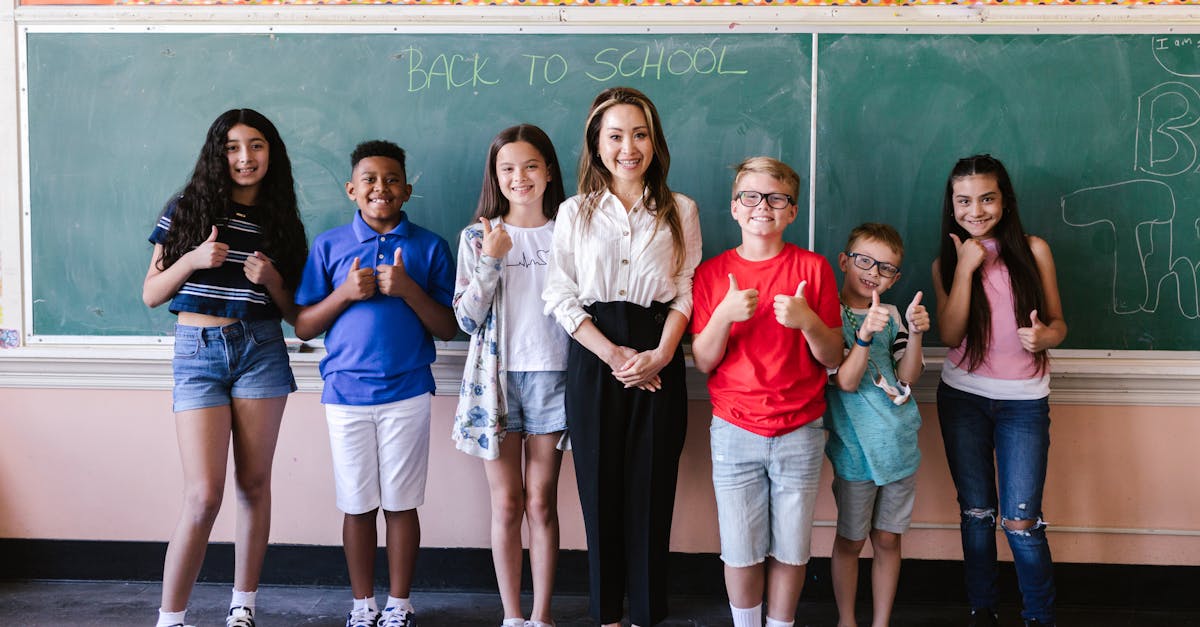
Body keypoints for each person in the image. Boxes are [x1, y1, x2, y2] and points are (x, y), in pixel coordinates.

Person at [542, 86, 702, 627]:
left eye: (640, 135)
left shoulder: (681, 210)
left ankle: (647, 614)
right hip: (595, 353)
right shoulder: (574, 211)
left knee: (652, 489)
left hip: (659, 352)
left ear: (655, 142)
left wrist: (661, 354)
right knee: (599, 488)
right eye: (615, 136)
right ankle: (607, 614)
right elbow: (559, 294)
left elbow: (685, 289)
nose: (628, 148)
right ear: (596, 143)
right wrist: (612, 354)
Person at [143, 108, 308, 627]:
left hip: (260, 348)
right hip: (198, 352)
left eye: (256, 145)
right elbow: (152, 293)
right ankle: (171, 617)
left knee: (254, 486)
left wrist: (273, 279)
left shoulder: (282, 220)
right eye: (233, 147)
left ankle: (243, 605)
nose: (245, 157)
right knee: (203, 495)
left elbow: (296, 314)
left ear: (271, 153)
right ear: (218, 155)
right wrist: (192, 259)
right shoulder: (186, 208)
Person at [294, 140, 457, 627]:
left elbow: (448, 327)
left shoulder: (429, 246)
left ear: (407, 190)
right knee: (357, 503)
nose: (380, 188)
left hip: (407, 393)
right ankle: (362, 604)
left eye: (391, 180)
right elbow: (304, 326)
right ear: (352, 189)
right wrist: (345, 293)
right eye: (369, 179)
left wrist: (408, 290)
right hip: (345, 394)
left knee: (402, 503)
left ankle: (399, 604)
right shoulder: (329, 246)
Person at [690, 157, 843, 627]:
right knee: (740, 547)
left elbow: (833, 355)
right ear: (734, 207)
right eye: (751, 196)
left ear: (792, 211)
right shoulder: (712, 274)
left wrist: (808, 321)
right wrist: (723, 315)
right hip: (734, 428)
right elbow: (704, 360)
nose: (763, 206)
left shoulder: (813, 268)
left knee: (792, 548)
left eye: (777, 198)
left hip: (800, 428)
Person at [932, 154, 1067, 627]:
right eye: (964, 201)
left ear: (1005, 201)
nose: (976, 210)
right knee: (976, 513)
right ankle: (982, 610)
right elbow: (951, 334)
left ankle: (1039, 617)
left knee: (1021, 520)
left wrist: (1045, 337)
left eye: (987, 199)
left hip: (1023, 403)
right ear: (952, 205)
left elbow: (1059, 323)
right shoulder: (946, 263)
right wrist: (965, 269)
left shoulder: (1034, 250)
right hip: (962, 399)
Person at [451, 124, 569, 627]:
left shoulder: (568, 231)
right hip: (493, 384)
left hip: (554, 378)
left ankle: (541, 616)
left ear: (549, 172)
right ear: (495, 177)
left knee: (541, 502)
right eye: (507, 169)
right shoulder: (478, 236)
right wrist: (491, 261)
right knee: (507, 503)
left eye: (530, 166)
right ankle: (513, 616)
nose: (520, 177)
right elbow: (466, 319)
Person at [825, 223, 930, 627]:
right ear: (844, 261)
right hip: (855, 450)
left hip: (897, 445)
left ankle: (881, 621)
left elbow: (907, 376)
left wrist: (915, 333)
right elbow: (846, 382)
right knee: (851, 539)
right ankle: (847, 620)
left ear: (895, 278)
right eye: (865, 261)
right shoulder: (827, 316)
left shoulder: (892, 316)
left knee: (887, 538)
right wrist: (864, 336)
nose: (873, 273)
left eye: (886, 268)